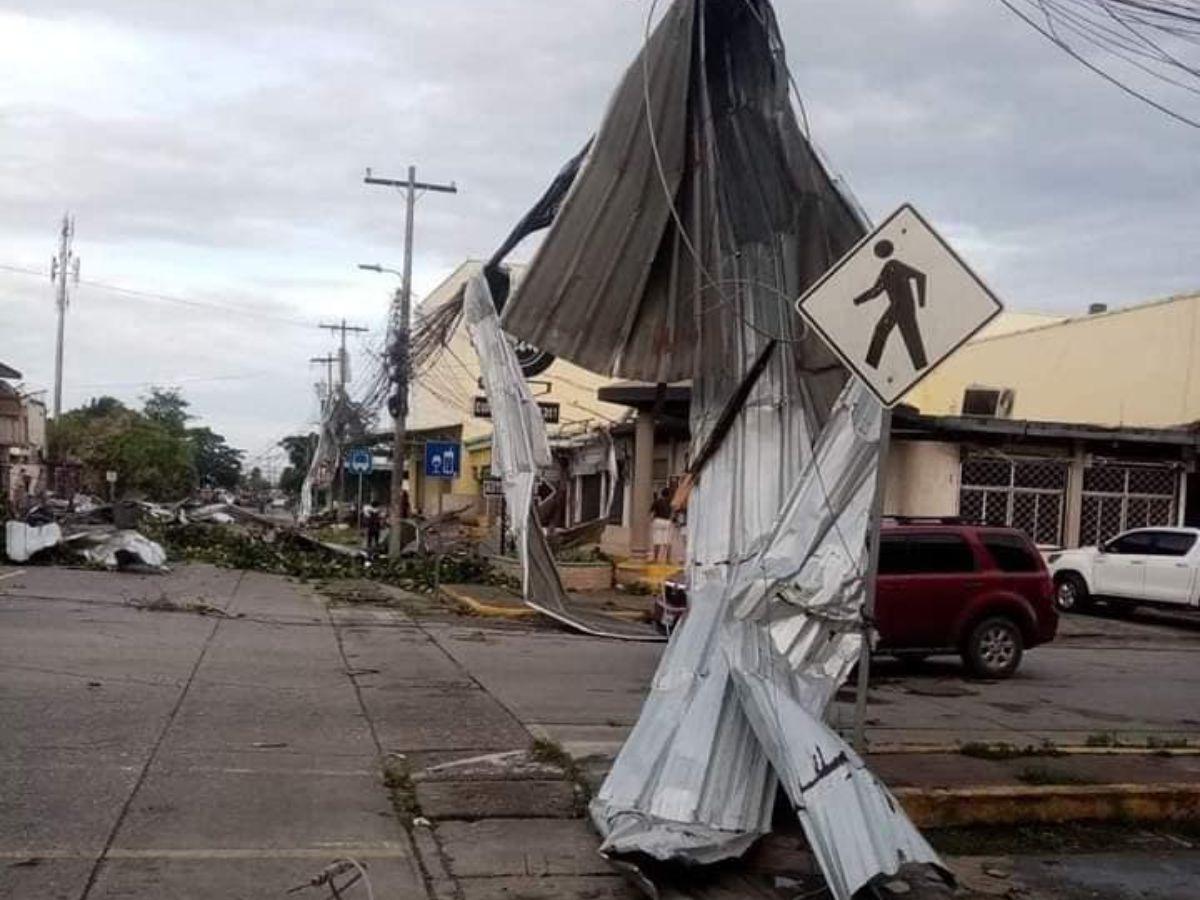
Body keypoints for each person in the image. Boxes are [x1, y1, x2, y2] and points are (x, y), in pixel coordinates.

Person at [853, 239, 928, 371]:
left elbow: (921, 276)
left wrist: (922, 303)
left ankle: (921, 367)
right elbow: (875, 291)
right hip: (896, 307)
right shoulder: (886, 269)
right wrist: (857, 301)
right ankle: (871, 366)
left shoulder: (894, 265)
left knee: (910, 336)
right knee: (883, 330)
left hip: (904, 307)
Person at [650, 487, 674, 563]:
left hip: (658, 521)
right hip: (667, 521)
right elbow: (673, 513)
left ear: (661, 494)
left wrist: (652, 519)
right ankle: (668, 560)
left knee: (657, 541)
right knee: (668, 541)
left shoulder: (657, 501)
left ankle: (655, 559)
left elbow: (651, 512)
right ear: (668, 495)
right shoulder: (671, 502)